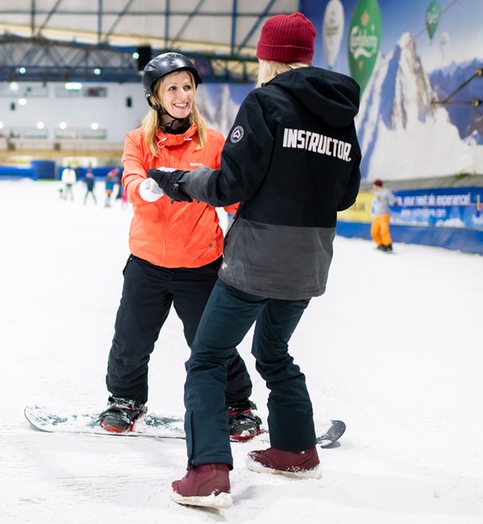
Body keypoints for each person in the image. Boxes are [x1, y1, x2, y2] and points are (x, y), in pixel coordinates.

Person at [148, 12, 361, 508]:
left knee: (207, 360)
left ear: (267, 57)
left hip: (256, 261)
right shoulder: (340, 114)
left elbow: (230, 185)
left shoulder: (266, 102)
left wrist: (178, 181)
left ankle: (207, 474)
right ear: (307, 56)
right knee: (274, 352)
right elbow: (346, 194)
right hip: (309, 262)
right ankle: (295, 450)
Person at [97, 52, 261, 444]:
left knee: (210, 342)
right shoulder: (138, 140)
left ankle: (237, 404)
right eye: (173, 88)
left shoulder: (215, 142)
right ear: (155, 96)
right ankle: (126, 401)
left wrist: (250, 220)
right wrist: (146, 187)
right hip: (147, 263)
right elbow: (131, 179)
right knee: (131, 340)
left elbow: (231, 194)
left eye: (187, 86)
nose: (182, 95)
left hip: (200, 264)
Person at [371, 179, 396, 252]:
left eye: (374, 185)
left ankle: (388, 245)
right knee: (374, 232)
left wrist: (394, 202)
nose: (373, 187)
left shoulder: (385, 191)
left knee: (384, 231)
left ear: (377, 185)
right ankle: (380, 244)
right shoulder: (376, 192)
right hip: (377, 215)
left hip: (384, 214)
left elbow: (392, 198)